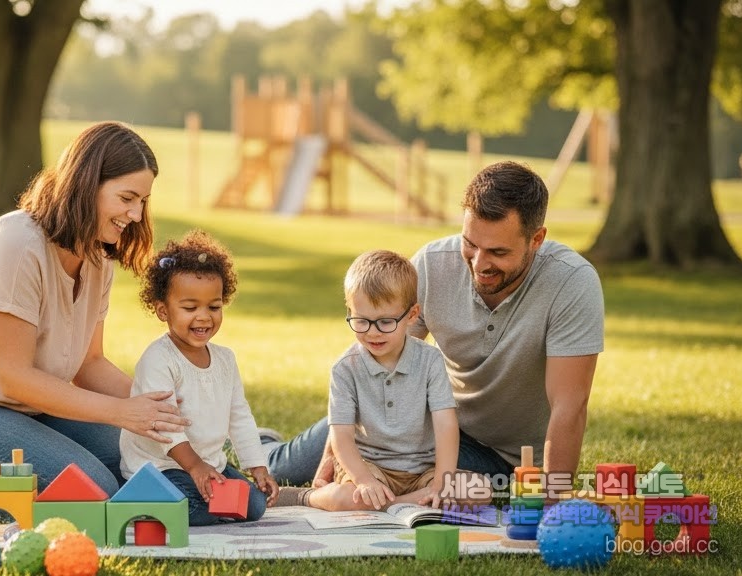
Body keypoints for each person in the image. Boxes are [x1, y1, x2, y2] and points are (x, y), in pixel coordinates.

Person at [268, 161, 604, 498]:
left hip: (501, 458)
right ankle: (262, 441)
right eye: (470, 243)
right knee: (285, 469)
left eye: (498, 252)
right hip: (422, 430)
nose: (479, 263)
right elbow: (375, 355)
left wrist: (553, 497)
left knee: (467, 493)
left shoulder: (571, 283)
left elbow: (569, 405)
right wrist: (333, 450)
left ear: (537, 239)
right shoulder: (432, 264)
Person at [0, 121, 190, 499]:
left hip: (24, 409)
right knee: (93, 489)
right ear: (87, 185)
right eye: (127, 198)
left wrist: (160, 407)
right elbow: (14, 377)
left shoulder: (98, 260)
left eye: (143, 201)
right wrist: (120, 413)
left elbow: (90, 364)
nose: (136, 214)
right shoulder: (17, 245)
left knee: (152, 467)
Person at [120, 230, 278, 525]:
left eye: (214, 307)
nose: (204, 316)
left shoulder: (225, 359)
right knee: (193, 510)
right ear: (163, 311)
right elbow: (164, 424)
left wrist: (257, 466)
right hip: (161, 467)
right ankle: (141, 497)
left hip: (208, 464)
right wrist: (195, 466)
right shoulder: (159, 359)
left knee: (254, 506)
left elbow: (239, 415)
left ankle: (201, 493)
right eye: (190, 308)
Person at [304, 249, 475, 512]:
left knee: (478, 491)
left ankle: (393, 503)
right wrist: (363, 480)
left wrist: (443, 480)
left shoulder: (430, 360)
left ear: (411, 315)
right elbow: (342, 436)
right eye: (361, 321)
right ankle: (307, 498)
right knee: (345, 498)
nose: (372, 333)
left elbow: (445, 424)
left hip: (422, 470)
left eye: (385, 322)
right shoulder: (345, 368)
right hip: (370, 467)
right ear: (350, 311)